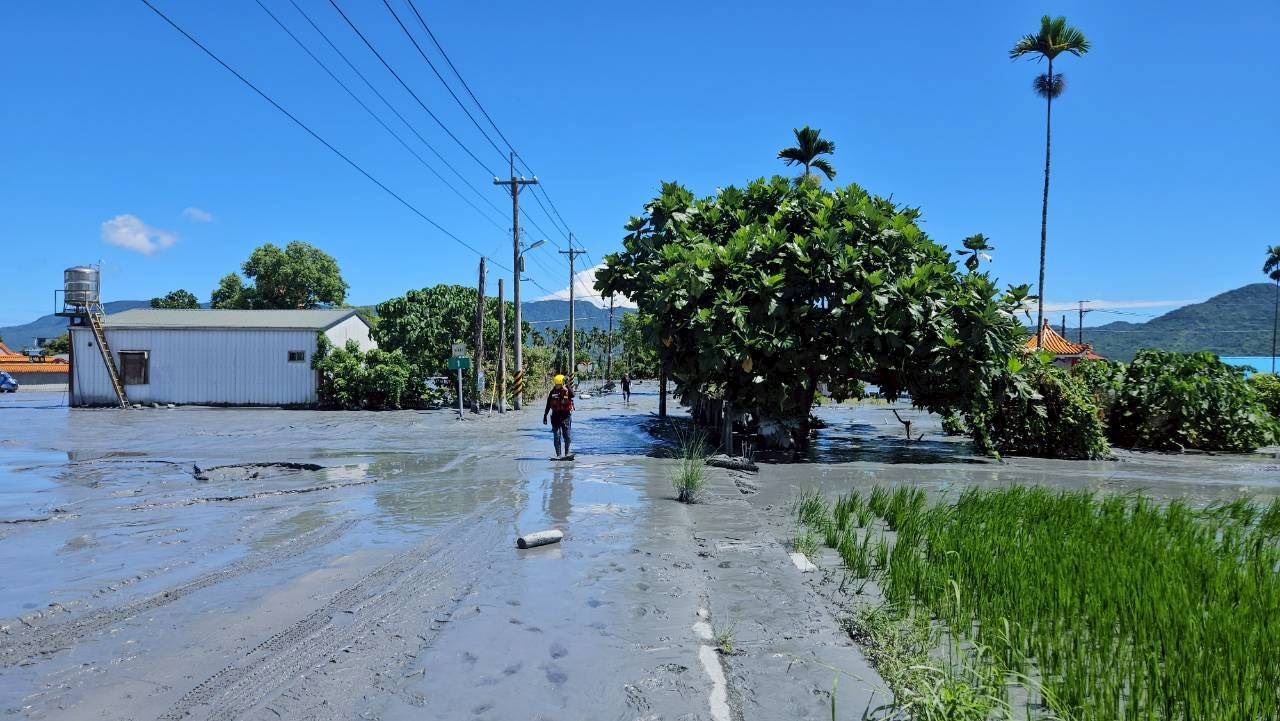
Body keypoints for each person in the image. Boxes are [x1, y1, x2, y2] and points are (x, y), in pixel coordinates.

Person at [543, 374, 575, 458]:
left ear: (562, 383)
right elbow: (548, 405)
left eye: (559, 384)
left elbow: (573, 395)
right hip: (555, 416)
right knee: (557, 436)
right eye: (556, 384)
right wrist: (545, 416)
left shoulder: (567, 390)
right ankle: (558, 455)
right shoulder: (552, 392)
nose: (557, 386)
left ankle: (567, 453)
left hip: (566, 416)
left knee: (567, 437)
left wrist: (568, 385)